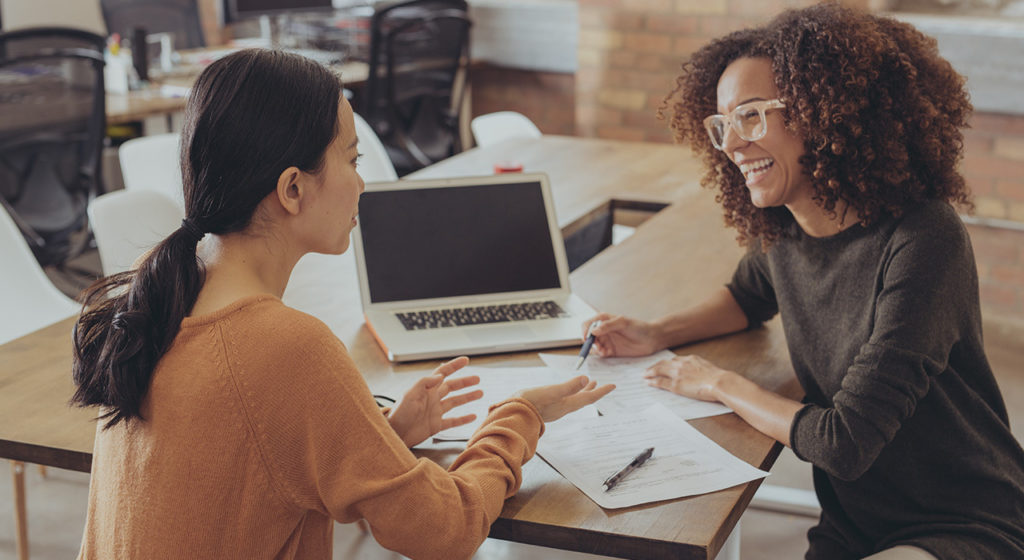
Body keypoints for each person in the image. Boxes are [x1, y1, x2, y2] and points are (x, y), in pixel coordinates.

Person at [71, 49, 613, 560]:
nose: (361, 182)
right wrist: (520, 417)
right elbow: (444, 529)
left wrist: (380, 433)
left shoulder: (157, 293)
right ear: (292, 189)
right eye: (352, 159)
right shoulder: (284, 345)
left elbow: (246, 461)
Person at [583, 4, 1024, 560]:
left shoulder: (924, 238)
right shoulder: (787, 229)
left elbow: (843, 443)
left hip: (962, 518)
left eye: (751, 116)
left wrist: (718, 384)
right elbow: (747, 297)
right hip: (853, 521)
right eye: (723, 126)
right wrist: (653, 332)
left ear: (824, 113)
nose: (734, 145)